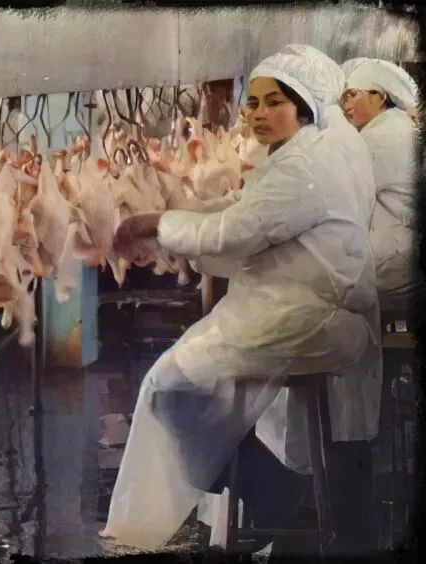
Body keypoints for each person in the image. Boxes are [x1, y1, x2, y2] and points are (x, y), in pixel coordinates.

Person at [100, 46, 379, 555]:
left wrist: (158, 224)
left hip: (300, 314)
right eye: (252, 102)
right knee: (181, 389)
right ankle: (270, 490)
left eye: (274, 102)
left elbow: (237, 231)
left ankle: (273, 493)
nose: (257, 114)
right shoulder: (318, 148)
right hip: (301, 307)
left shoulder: (307, 164)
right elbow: (249, 210)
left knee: (168, 389)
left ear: (304, 106)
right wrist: (178, 222)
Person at [341, 57, 420, 311]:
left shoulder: (380, 137)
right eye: (343, 98)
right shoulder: (397, 126)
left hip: (390, 263)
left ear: (381, 97)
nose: (346, 105)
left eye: (353, 95)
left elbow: (336, 194)